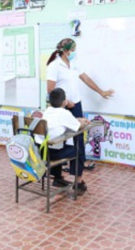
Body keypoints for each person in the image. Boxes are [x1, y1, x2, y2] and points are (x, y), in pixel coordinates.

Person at [46, 38, 114, 171]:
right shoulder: (54, 66)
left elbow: (86, 78)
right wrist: (66, 102)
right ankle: (57, 173)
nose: (74, 53)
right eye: (72, 50)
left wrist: (101, 92)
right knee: (61, 137)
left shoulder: (73, 63)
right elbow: (50, 90)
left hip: (76, 103)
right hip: (62, 106)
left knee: (79, 134)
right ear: (65, 51)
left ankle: (79, 167)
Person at [35, 88, 90, 194]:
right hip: (53, 154)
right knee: (77, 150)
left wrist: (78, 120)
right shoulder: (64, 113)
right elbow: (79, 126)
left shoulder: (47, 111)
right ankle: (78, 183)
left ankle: (57, 177)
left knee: (58, 144)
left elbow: (68, 121)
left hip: (41, 152)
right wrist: (83, 122)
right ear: (65, 102)